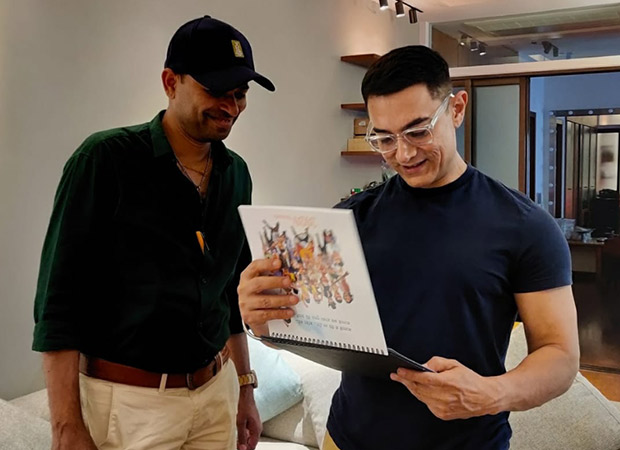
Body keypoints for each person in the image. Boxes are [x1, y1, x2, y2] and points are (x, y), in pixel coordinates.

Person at [237, 45, 579, 450]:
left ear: (456, 109)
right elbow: (310, 328)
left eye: (418, 131)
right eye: (384, 138)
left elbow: (560, 356)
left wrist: (491, 393)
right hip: (346, 439)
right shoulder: (350, 218)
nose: (403, 153)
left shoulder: (524, 225)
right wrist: (265, 322)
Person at [32, 15, 274, 450]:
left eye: (240, 94)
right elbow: (58, 303)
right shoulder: (104, 160)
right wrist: (66, 426)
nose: (232, 106)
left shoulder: (236, 174)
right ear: (170, 82)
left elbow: (229, 295)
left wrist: (244, 389)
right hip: (129, 405)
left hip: (215, 396)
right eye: (217, 90)